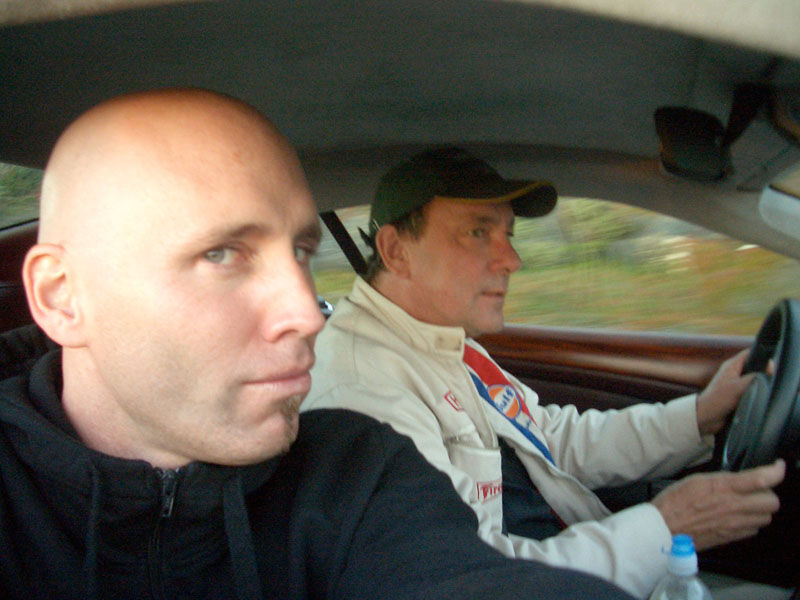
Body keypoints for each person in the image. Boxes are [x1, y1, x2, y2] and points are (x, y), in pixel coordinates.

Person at [0, 90, 635, 600]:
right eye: (221, 254)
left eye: (302, 252)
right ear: (62, 297)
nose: (307, 313)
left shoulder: (357, 471)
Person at [302, 146, 789, 599]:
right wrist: (665, 528)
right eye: (478, 232)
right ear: (395, 251)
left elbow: (548, 437)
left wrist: (699, 416)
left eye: (509, 235)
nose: (512, 260)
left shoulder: (441, 340)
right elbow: (471, 579)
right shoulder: (363, 394)